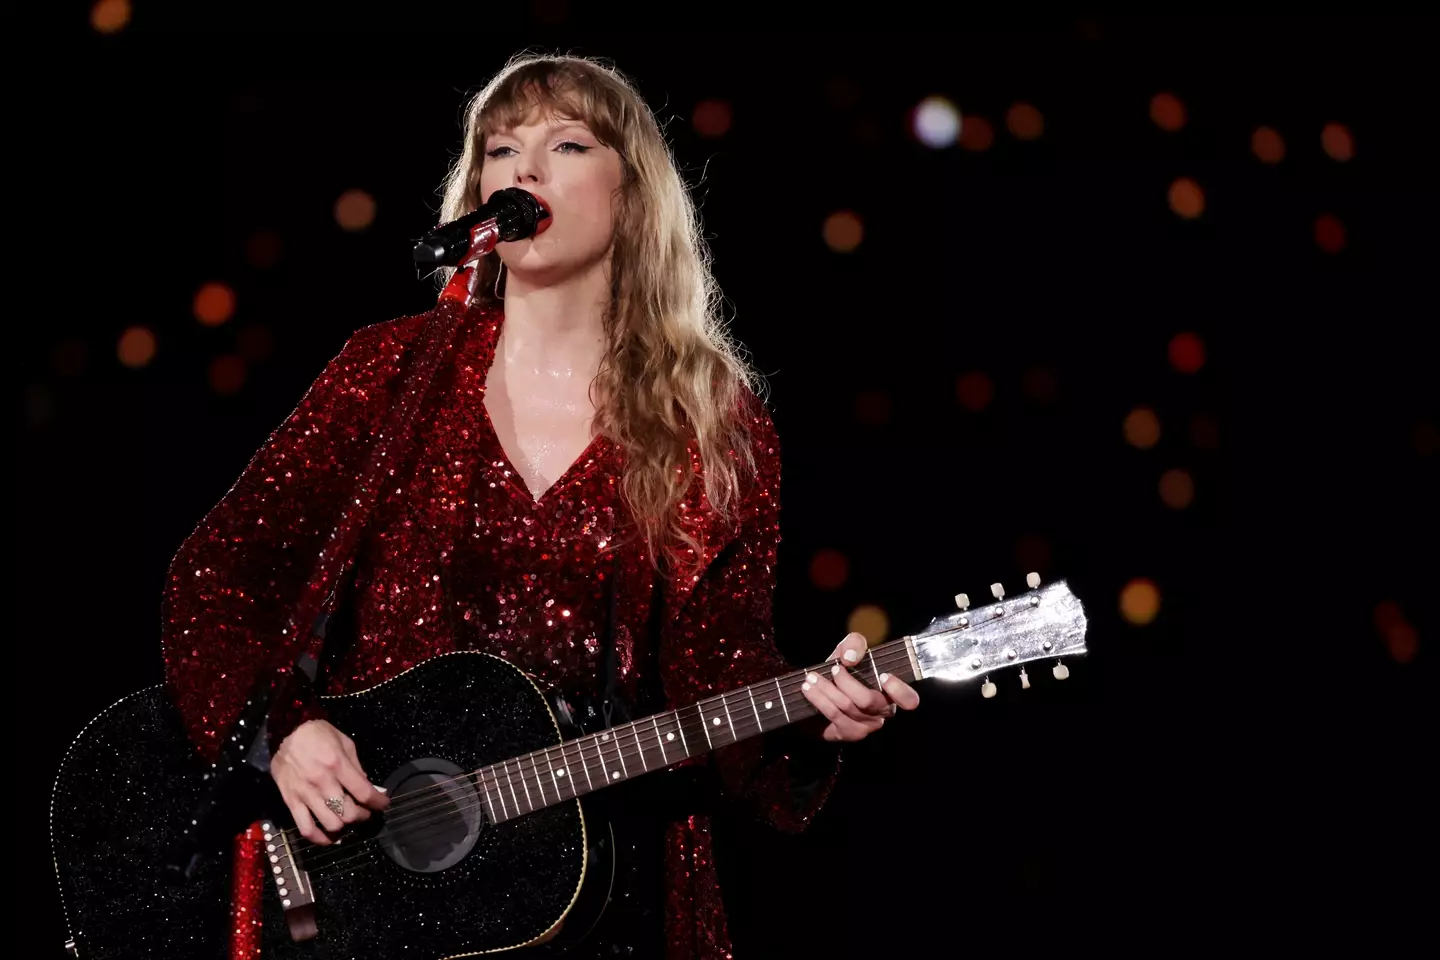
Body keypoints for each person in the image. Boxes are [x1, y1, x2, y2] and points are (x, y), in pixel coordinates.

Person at [161, 52, 919, 958]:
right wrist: (284, 733)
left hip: (599, 903)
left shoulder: (709, 419)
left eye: (564, 144)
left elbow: (719, 676)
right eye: (498, 148)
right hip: (366, 898)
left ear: (630, 195)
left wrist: (817, 720)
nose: (520, 170)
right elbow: (215, 577)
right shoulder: (390, 373)